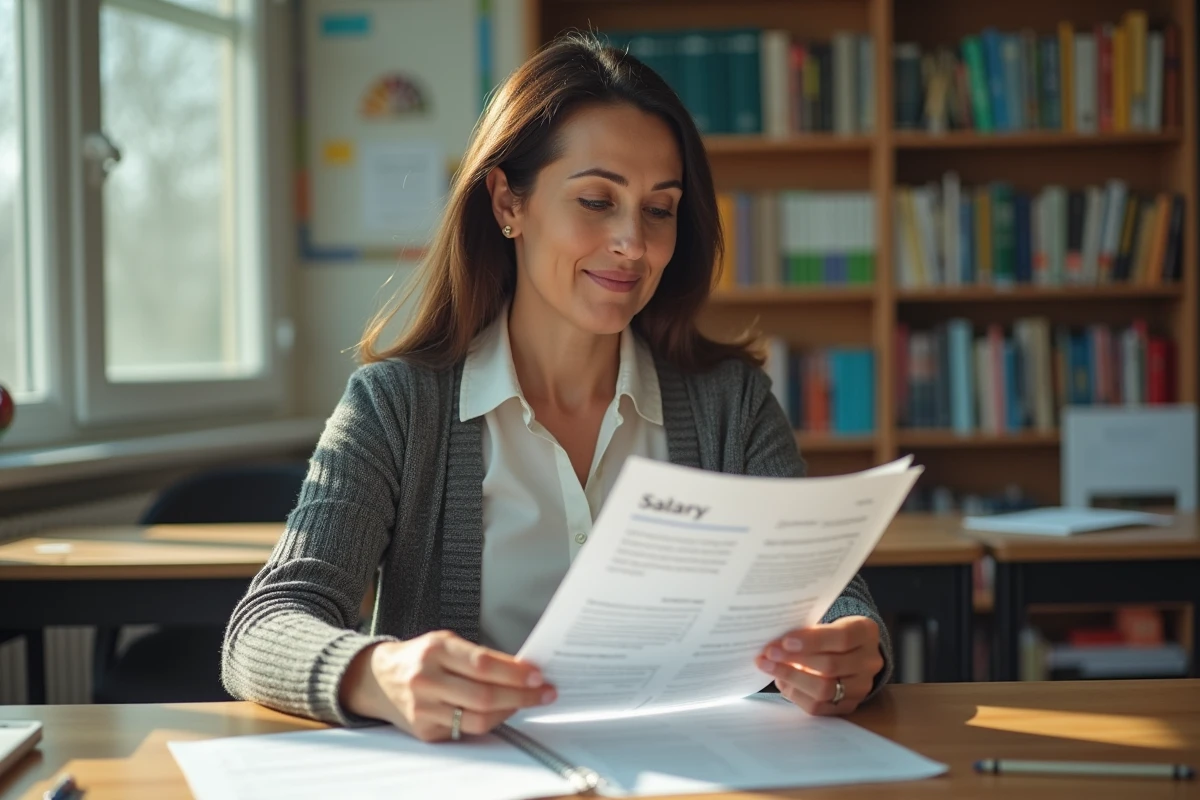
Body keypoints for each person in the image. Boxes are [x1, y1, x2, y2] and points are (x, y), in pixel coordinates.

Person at [222, 32, 892, 743]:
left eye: (659, 208)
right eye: (598, 200)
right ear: (509, 204)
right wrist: (380, 673)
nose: (633, 242)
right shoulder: (394, 406)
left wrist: (851, 648)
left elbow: (825, 597)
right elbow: (265, 626)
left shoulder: (732, 402)